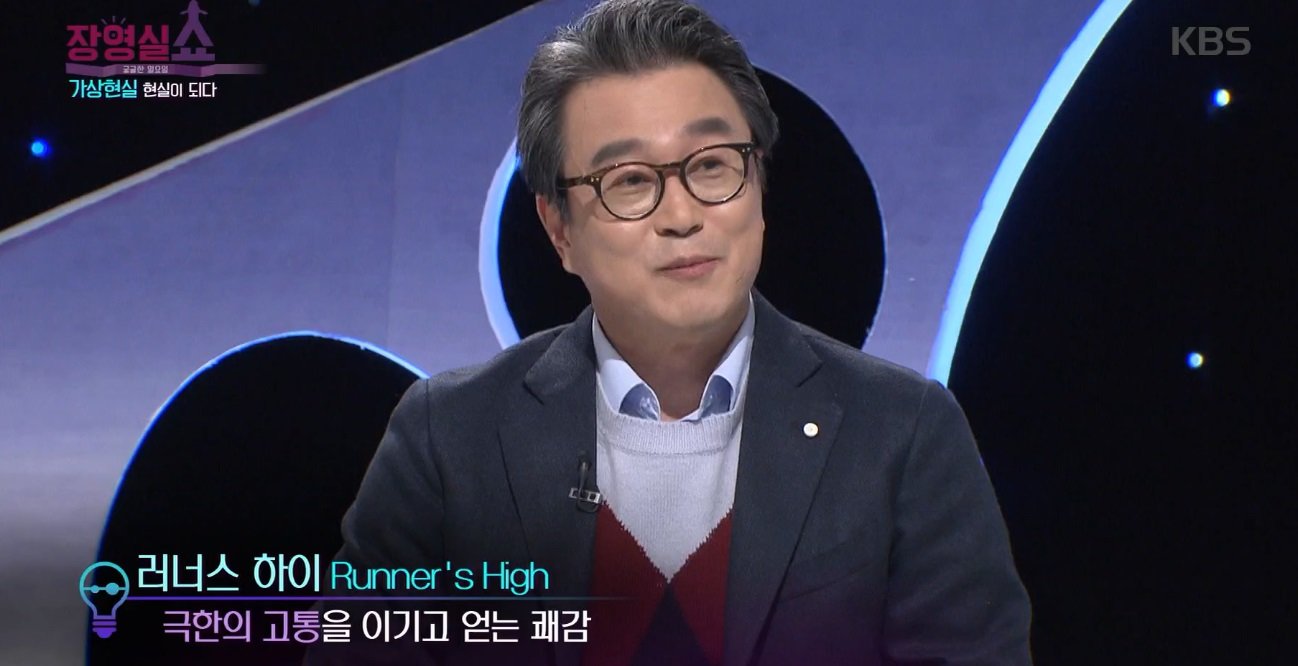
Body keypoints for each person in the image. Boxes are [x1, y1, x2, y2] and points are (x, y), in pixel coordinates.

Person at [307, 1, 1031, 664]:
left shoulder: (902, 433)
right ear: (559, 229)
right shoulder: (447, 439)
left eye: (712, 166)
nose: (681, 216)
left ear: (759, 189)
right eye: (629, 180)